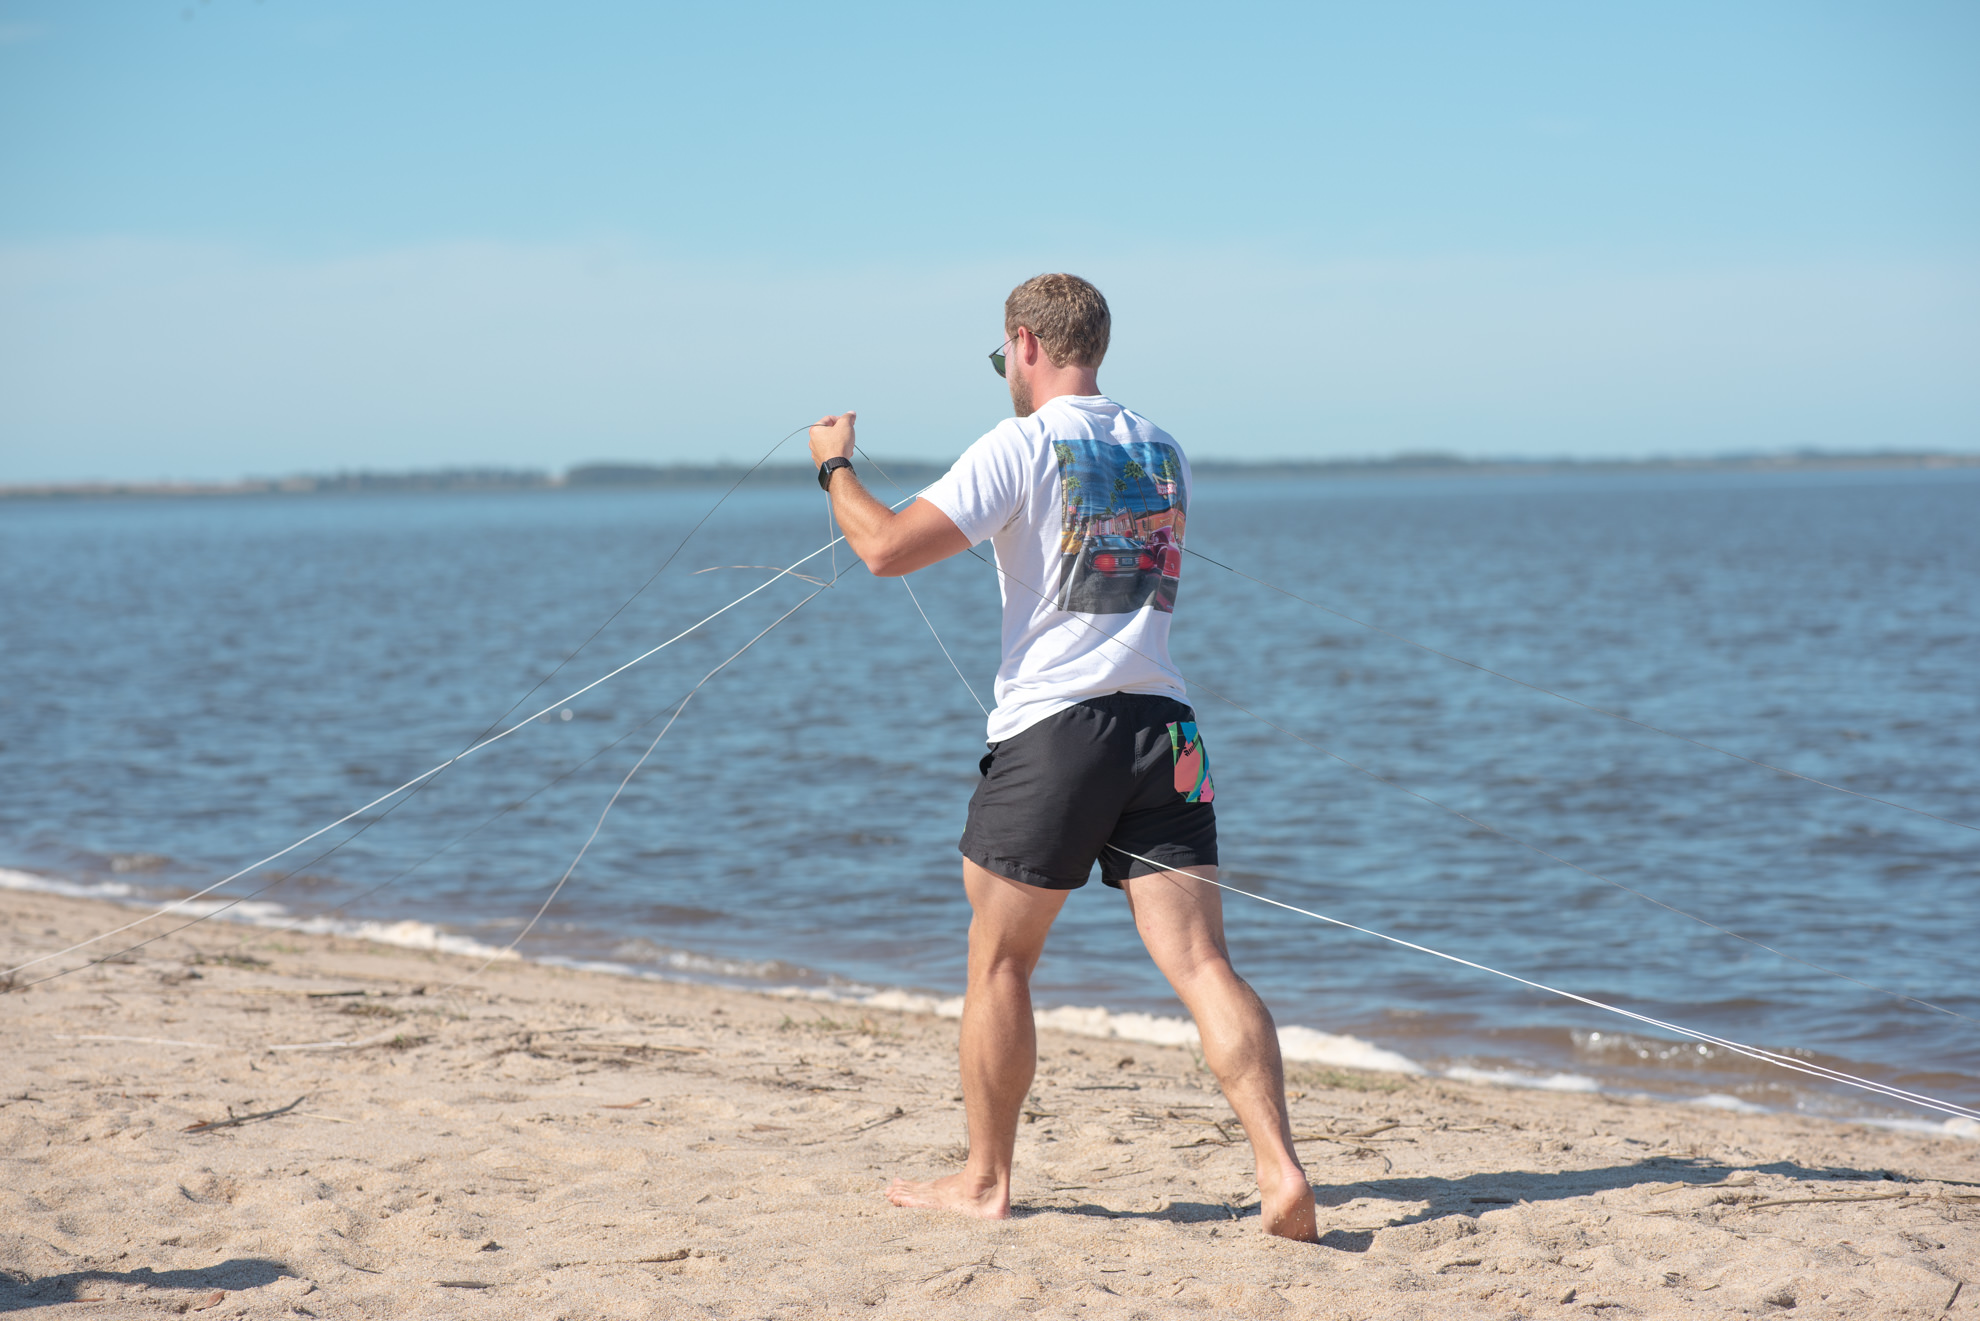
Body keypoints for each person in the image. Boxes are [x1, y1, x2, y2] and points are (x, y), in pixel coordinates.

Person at [807, 273, 1318, 1241]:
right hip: (1165, 734)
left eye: (1007, 358)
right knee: (1205, 961)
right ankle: (1280, 1168)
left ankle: (987, 1178)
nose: (1008, 373)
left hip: (1061, 736)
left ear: (1028, 344)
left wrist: (834, 467)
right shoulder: (1165, 451)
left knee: (999, 962)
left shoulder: (1023, 442)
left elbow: (882, 549)